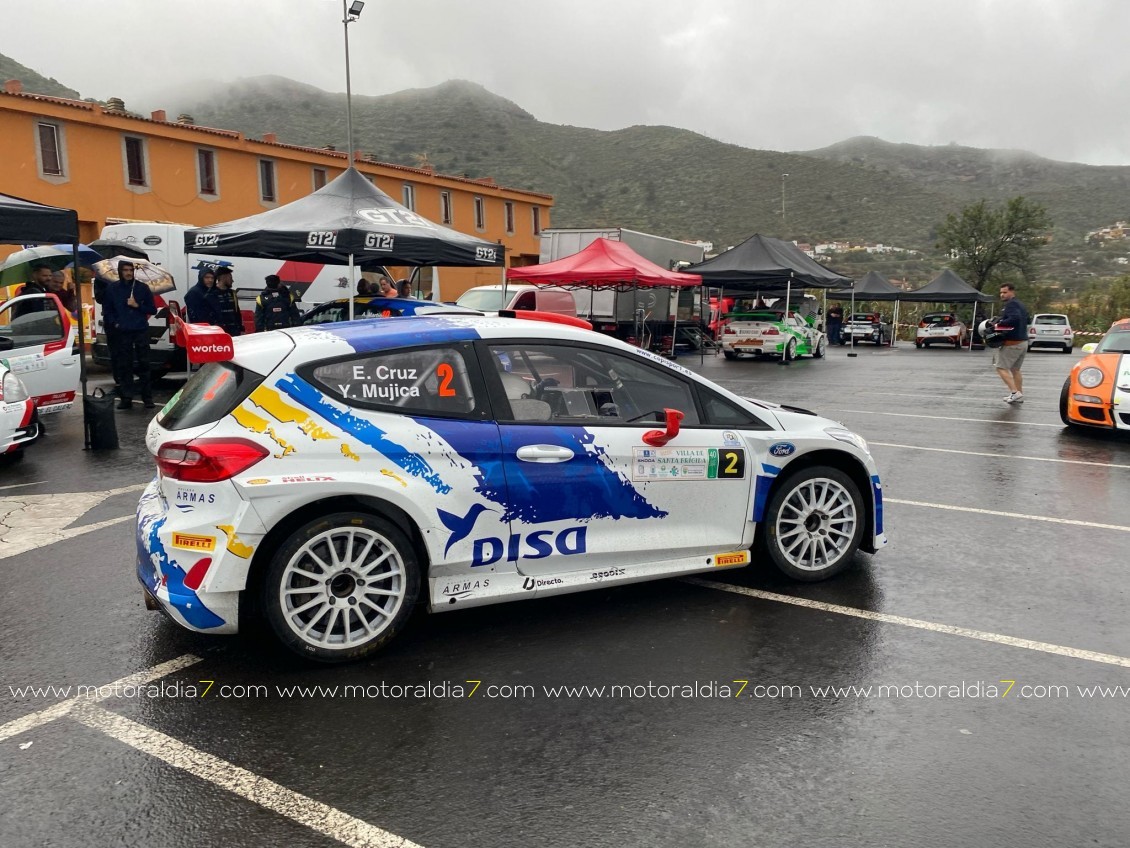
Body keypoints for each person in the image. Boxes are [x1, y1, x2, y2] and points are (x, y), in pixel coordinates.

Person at [102, 261, 157, 409]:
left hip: (140, 330)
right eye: (125, 270)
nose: (128, 273)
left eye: (130, 270)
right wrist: (115, 323)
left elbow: (153, 309)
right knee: (124, 365)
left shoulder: (142, 288)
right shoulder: (112, 289)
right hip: (122, 331)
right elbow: (107, 310)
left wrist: (137, 305)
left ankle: (147, 398)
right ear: (120, 271)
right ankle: (126, 398)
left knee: (144, 364)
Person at [994, 283, 1029, 404]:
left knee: (1000, 367)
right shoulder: (1020, 304)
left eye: (1005, 292)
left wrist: (998, 324)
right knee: (1015, 369)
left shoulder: (1011, 304)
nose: (1002, 295)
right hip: (1023, 342)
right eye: (1001, 292)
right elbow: (1026, 319)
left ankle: (1015, 393)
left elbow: (1015, 318)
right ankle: (1019, 395)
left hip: (1012, 343)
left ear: (1012, 292)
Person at [208, 268, 244, 336]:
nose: (232, 281)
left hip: (234, 332)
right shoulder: (211, 294)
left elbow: (237, 313)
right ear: (223, 277)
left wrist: (242, 329)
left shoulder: (232, 293)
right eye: (230, 278)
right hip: (219, 332)